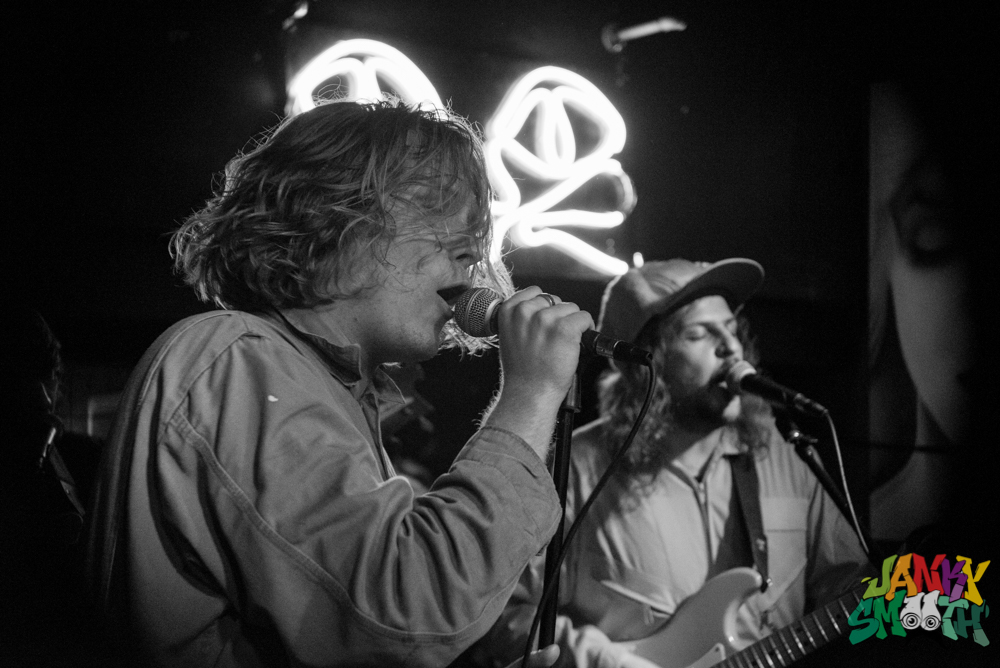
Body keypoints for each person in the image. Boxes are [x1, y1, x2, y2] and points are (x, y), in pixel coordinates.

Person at [84, 98, 593, 667]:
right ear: (332, 215)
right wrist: (530, 396)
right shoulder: (237, 359)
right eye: (437, 208)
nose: (473, 250)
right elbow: (402, 609)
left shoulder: (319, 386)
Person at [472, 258, 869, 668]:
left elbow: (847, 585)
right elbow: (503, 613)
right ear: (647, 365)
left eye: (731, 329)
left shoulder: (786, 453)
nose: (730, 347)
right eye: (700, 334)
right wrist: (606, 662)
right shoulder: (575, 467)